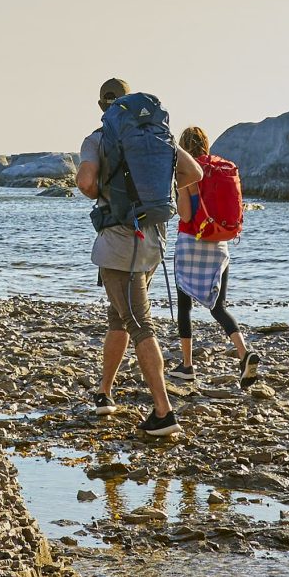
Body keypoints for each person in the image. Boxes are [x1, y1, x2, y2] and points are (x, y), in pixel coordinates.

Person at [75, 75, 191, 433]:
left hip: (118, 245)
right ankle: (104, 393)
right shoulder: (158, 135)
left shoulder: (98, 139)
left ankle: (163, 412)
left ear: (101, 107)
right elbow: (194, 172)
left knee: (139, 323)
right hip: (152, 240)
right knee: (119, 316)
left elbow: (85, 182)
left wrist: (104, 195)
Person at [169, 123, 264, 394]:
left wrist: (178, 193)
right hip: (219, 243)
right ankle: (244, 353)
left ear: (183, 147)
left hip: (191, 243)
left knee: (185, 305)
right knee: (218, 306)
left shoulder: (187, 172)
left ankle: (186, 366)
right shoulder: (221, 168)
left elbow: (186, 216)